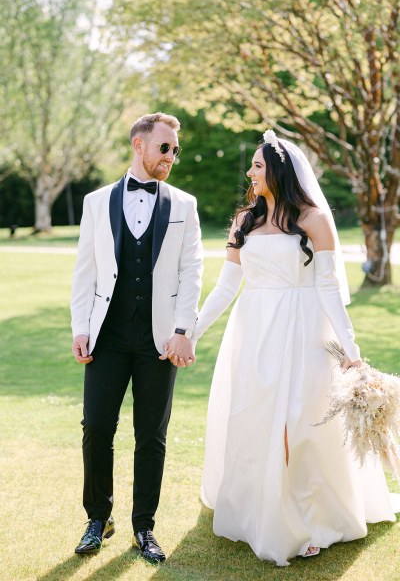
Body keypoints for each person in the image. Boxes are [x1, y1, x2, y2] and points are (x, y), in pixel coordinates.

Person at [190, 130, 397, 566]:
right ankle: (263, 512)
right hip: (255, 330)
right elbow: (226, 288)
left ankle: (309, 516)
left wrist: (351, 349)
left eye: (258, 165)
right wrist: (191, 332)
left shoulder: (314, 220)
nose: (250, 172)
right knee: (258, 419)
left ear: (279, 171)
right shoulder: (244, 220)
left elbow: (328, 287)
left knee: (301, 421)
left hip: (306, 330)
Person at [70, 112, 203, 563]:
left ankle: (143, 527)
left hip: (160, 339)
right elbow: (85, 270)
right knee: (96, 430)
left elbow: (191, 273)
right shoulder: (96, 202)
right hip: (107, 335)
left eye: (175, 150)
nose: (171, 157)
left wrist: (184, 330)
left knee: (152, 435)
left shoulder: (184, 205)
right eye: (164, 148)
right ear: (139, 145)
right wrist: (81, 327)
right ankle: (97, 518)